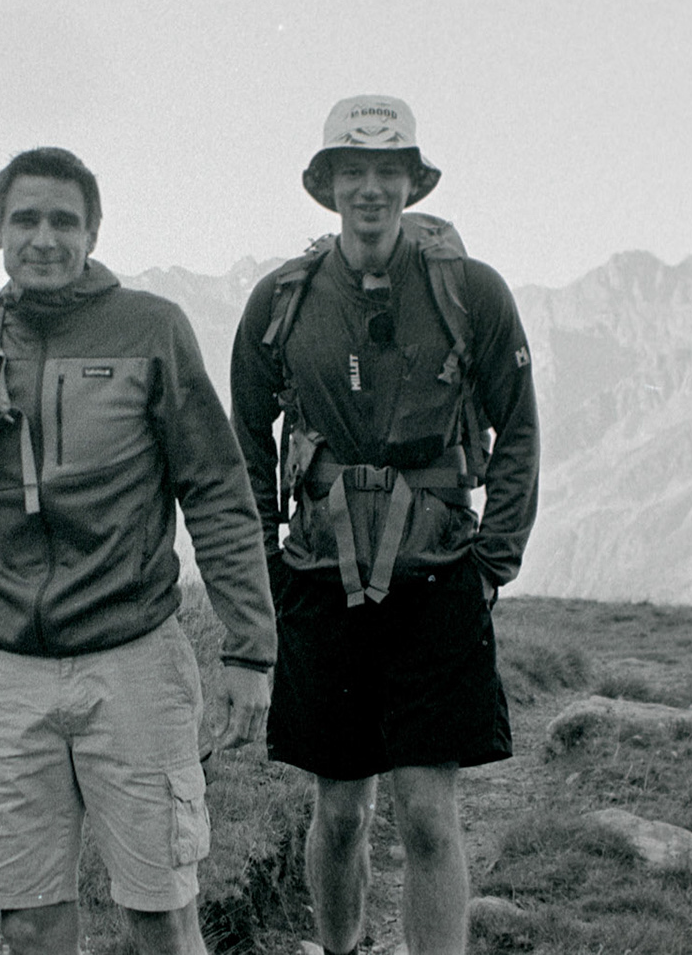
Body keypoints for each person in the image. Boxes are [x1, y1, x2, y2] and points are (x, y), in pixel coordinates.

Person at [0, 146, 276, 955]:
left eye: (63, 221)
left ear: (94, 232)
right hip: (5, 669)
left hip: (133, 659)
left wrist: (251, 648)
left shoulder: (153, 328)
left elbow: (216, 489)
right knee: (29, 924)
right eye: (25, 220)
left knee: (162, 916)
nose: (44, 238)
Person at [230, 97, 538, 955]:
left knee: (428, 814)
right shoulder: (280, 302)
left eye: (387, 171)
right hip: (321, 577)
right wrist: (265, 567)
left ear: (411, 182)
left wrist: (493, 562)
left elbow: (518, 427)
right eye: (353, 171)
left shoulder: (471, 292)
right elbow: (245, 441)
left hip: (438, 575)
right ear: (328, 186)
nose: (370, 189)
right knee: (339, 812)